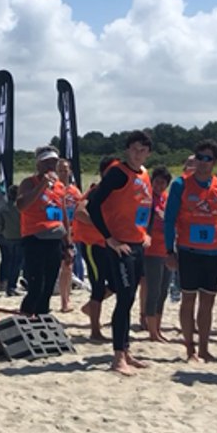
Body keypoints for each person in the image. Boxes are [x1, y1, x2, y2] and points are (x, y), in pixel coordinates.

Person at [89, 130, 155, 375]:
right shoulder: (118, 172)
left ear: (148, 153)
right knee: (124, 298)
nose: (138, 154)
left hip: (137, 244)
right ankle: (118, 357)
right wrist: (109, 238)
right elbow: (93, 204)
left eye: (143, 150)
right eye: (135, 149)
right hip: (119, 246)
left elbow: (145, 207)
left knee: (129, 298)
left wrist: (145, 232)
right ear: (128, 149)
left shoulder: (145, 174)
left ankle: (126, 350)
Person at [165, 140, 217, 362]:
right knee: (188, 300)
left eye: (208, 159)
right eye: (200, 158)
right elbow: (169, 220)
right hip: (187, 251)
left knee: (208, 303)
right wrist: (169, 250)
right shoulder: (180, 185)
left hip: (212, 254)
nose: (204, 163)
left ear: (215, 162)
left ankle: (204, 348)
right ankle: (190, 349)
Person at [15, 147, 70, 316]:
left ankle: (42, 318)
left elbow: (62, 214)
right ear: (38, 164)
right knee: (36, 285)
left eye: (53, 162)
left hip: (54, 238)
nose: (50, 166)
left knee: (48, 287)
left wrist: (68, 244)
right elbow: (21, 205)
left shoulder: (59, 186)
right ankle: (25, 317)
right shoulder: (29, 183)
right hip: (35, 239)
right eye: (46, 162)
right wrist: (43, 184)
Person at [74, 157, 116, 341]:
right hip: (93, 244)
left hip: (108, 244)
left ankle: (90, 308)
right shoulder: (96, 191)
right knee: (97, 284)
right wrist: (99, 226)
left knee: (116, 284)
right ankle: (95, 330)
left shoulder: (117, 193)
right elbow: (79, 212)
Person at [140, 166, 174, 342]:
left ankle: (157, 329)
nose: (160, 185)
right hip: (151, 251)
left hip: (167, 251)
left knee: (163, 291)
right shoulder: (146, 199)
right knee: (153, 291)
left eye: (163, 183)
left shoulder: (167, 199)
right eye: (157, 181)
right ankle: (152, 332)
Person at [58, 158, 84, 312]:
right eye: (60, 170)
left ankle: (65, 301)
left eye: (65, 170)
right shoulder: (52, 188)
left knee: (68, 267)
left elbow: (80, 208)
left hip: (71, 233)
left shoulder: (74, 191)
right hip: (55, 231)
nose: (62, 172)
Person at [0, 188, 24, 296]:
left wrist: (3, 231)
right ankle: (11, 286)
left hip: (7, 237)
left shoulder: (3, 207)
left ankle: (3, 281)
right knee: (16, 263)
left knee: (6, 260)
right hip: (19, 237)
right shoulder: (20, 207)